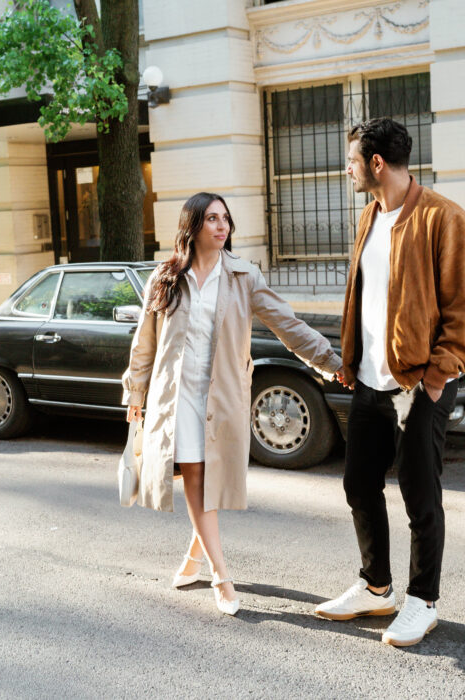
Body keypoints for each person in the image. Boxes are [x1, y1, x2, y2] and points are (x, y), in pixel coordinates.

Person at [123, 192, 342, 616]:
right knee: (197, 478)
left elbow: (287, 324)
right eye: (211, 219)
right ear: (193, 226)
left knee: (212, 483)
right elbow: (145, 342)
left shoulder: (244, 276)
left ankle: (192, 557)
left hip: (223, 396)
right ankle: (222, 577)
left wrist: (330, 362)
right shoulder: (165, 277)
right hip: (177, 397)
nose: (222, 226)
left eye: (225, 219)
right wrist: (135, 393)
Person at [314, 118, 465, 647]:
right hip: (369, 381)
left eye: (352, 160)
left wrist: (437, 376)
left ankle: (422, 600)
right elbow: (364, 299)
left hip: (419, 384)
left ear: (377, 163)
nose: (347, 168)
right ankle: (376, 586)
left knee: (419, 494)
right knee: (358, 484)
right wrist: (350, 358)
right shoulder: (369, 216)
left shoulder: (443, 218)